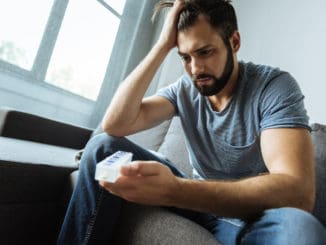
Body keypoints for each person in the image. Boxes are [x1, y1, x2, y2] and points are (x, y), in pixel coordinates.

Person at [57, 0, 326, 244]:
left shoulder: (273, 88)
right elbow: (115, 125)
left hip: (252, 216)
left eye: (205, 52)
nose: (195, 69)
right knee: (102, 147)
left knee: (300, 228)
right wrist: (163, 45)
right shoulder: (185, 89)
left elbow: (297, 193)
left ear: (234, 42)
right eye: (185, 57)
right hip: (198, 206)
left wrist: (175, 190)